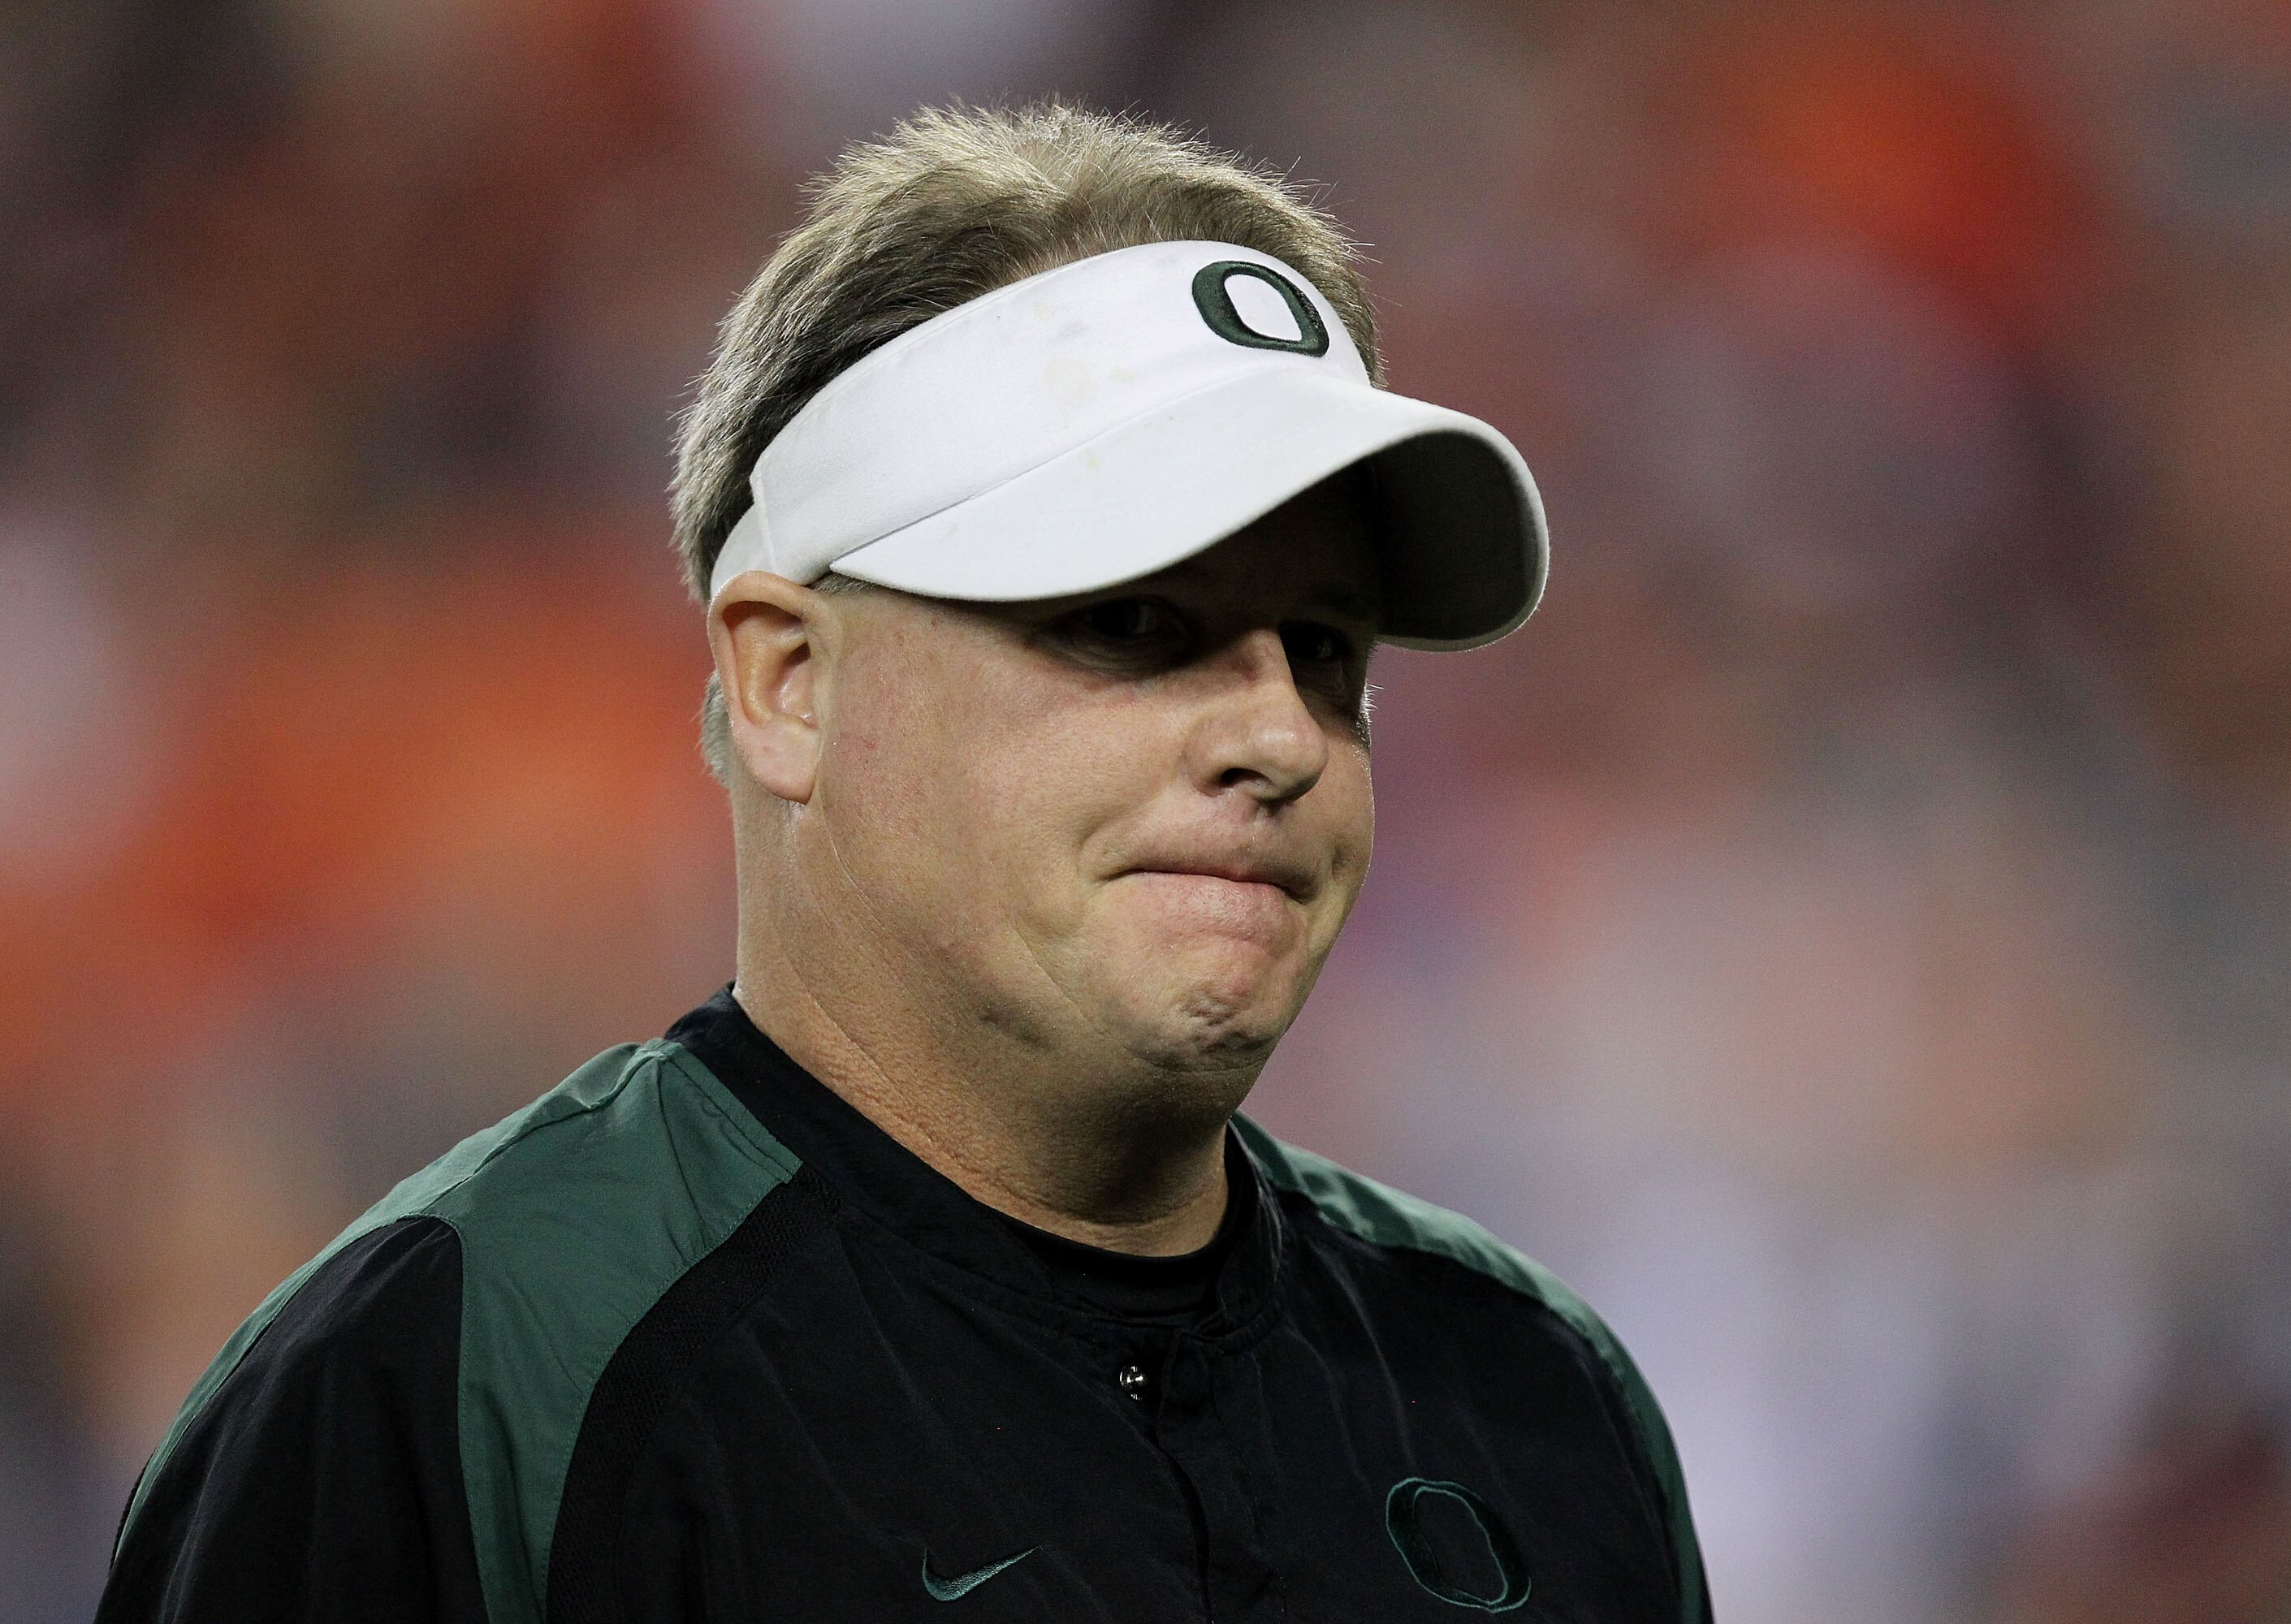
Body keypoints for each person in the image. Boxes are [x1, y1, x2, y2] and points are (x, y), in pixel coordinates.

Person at [97, 103, 1710, 1624]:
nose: (1279, 738)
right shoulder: (460, 1375)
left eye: (1327, 649)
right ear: (790, 682)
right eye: (1135, 622)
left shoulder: (1530, 1393)